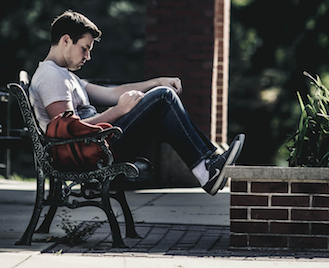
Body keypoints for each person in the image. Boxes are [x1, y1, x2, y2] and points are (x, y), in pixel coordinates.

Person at [29, 10, 245, 196]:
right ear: (66, 40)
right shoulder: (51, 77)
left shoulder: (64, 75)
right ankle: (205, 169)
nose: (88, 56)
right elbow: (68, 134)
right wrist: (118, 111)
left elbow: (112, 93)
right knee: (163, 97)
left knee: (161, 94)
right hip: (94, 150)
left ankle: (209, 162)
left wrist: (157, 81)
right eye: (85, 48)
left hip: (99, 143)